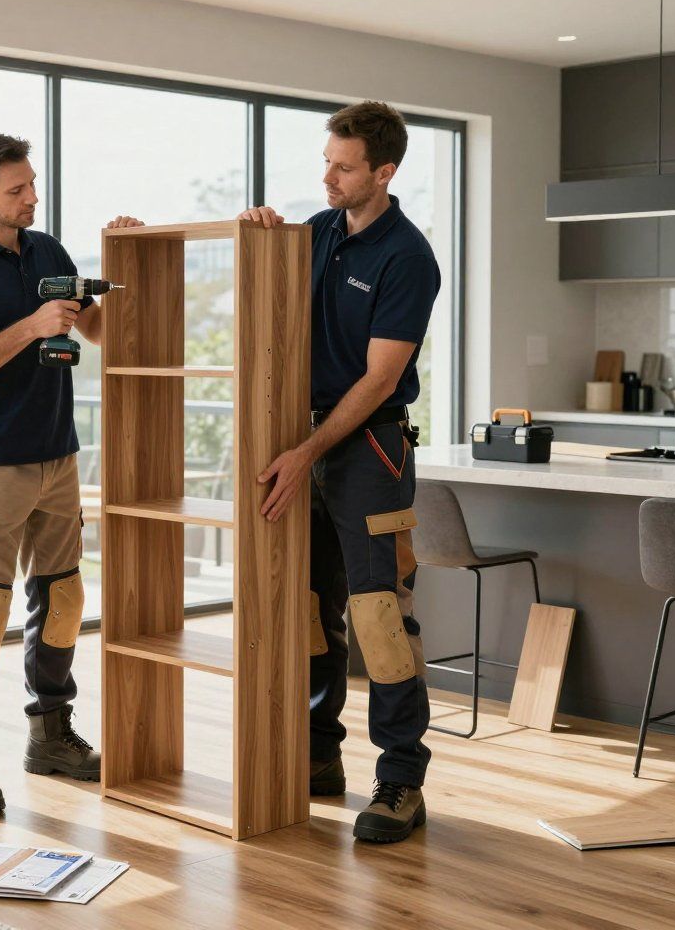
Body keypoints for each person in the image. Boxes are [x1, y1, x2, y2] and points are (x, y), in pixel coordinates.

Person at [0, 131, 142, 815]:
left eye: (32, 184)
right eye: (16, 190)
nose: (31, 198)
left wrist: (126, 258)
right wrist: (31, 323)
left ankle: (51, 734)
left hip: (59, 456)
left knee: (64, 599)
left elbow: (102, 332)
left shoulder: (47, 251)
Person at [240, 100, 440, 844]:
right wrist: (261, 235)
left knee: (379, 616)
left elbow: (380, 379)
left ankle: (399, 782)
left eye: (344, 166)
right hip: (305, 442)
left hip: (367, 449)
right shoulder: (317, 233)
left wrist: (307, 450)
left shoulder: (407, 257)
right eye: (327, 160)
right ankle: (319, 755)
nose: (328, 175)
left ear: (383, 173)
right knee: (309, 609)